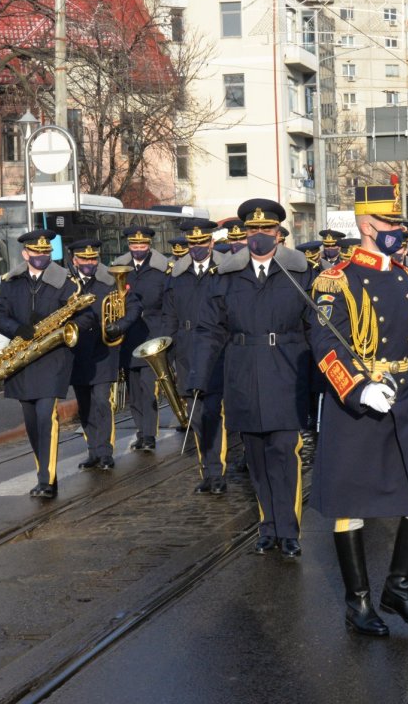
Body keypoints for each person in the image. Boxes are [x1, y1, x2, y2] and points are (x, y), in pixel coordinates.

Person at [309, 184, 408, 637]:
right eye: (391, 225)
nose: (398, 232)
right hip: (360, 405)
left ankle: (399, 588)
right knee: (352, 507)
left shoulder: (407, 278)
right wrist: (358, 389)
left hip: (404, 397)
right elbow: (326, 346)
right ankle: (359, 602)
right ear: (367, 226)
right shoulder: (337, 279)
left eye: (399, 226)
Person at [188, 199, 315, 558]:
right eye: (252, 231)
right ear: (244, 235)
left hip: (287, 372)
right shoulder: (226, 278)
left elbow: (316, 326)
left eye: (267, 231)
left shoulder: (301, 273)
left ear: (279, 234)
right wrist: (198, 374)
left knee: (284, 453)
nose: (259, 237)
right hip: (243, 374)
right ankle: (268, 527)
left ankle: (289, 531)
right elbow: (208, 330)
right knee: (256, 458)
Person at [0, 229, 94, 498]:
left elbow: (86, 317)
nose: (42, 257)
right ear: (25, 254)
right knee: (31, 423)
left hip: (53, 358)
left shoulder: (66, 281)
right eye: (37, 253)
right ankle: (45, 473)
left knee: (46, 416)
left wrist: (65, 330)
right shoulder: (10, 282)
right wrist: (17, 329)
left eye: (46, 252)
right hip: (21, 361)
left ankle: (46, 480)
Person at [162, 218, 228, 493]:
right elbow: (169, 316)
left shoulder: (224, 271)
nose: (197, 248)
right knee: (197, 415)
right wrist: (168, 350)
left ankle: (218, 472)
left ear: (212, 242)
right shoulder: (176, 276)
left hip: (217, 350)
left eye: (202, 243)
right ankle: (208, 472)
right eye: (192, 244)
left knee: (214, 411)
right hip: (187, 349)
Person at [68, 239, 140, 472]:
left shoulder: (109, 281)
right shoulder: (67, 284)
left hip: (103, 352)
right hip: (77, 353)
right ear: (74, 260)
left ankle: (106, 451)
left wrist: (120, 326)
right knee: (85, 405)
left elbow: (134, 307)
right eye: (85, 259)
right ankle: (93, 451)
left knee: (101, 401)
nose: (90, 263)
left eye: (93, 258)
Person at [113, 226, 171, 452]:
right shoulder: (120, 268)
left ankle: (149, 434)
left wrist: (166, 335)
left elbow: (168, 304)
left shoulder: (161, 269)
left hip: (152, 333)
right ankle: (140, 431)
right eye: (134, 245)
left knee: (149, 388)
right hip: (128, 336)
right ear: (129, 245)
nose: (138, 249)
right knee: (134, 389)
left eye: (142, 245)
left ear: (149, 245)